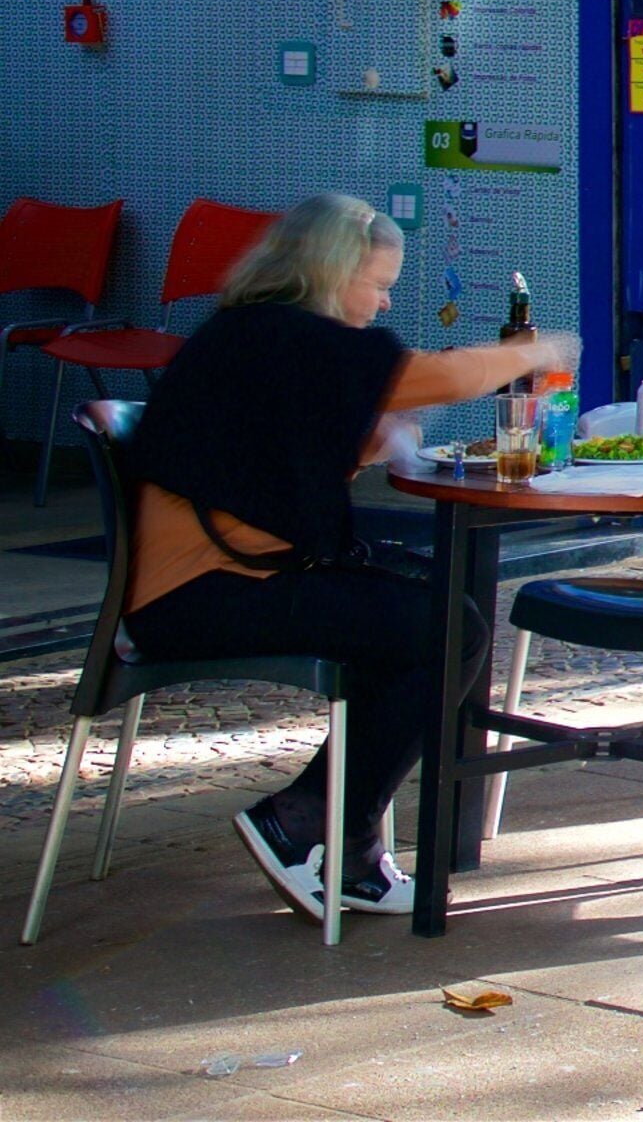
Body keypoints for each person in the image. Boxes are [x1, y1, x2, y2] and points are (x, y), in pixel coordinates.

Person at [116, 194, 580, 922]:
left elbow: (269, 462)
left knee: (429, 606)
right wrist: (537, 351)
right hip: (201, 596)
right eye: (379, 282)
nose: (386, 300)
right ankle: (310, 821)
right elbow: (440, 376)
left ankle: (339, 835)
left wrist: (374, 439)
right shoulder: (285, 334)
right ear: (331, 273)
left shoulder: (256, 331)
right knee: (446, 627)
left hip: (219, 580)